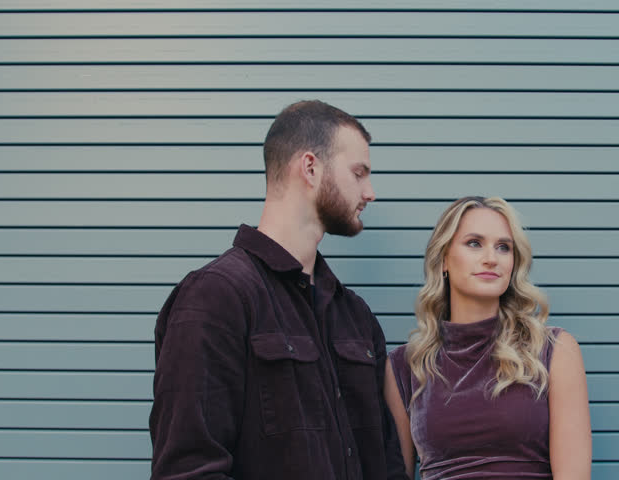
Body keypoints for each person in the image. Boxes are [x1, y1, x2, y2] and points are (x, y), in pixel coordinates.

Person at [149, 100, 409, 480]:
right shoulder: (216, 297)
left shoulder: (355, 316)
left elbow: (387, 465)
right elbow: (188, 469)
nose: (370, 192)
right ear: (310, 168)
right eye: (358, 173)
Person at [384, 196, 592, 479]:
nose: (491, 259)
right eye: (474, 243)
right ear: (444, 259)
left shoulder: (554, 350)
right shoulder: (404, 366)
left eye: (503, 247)